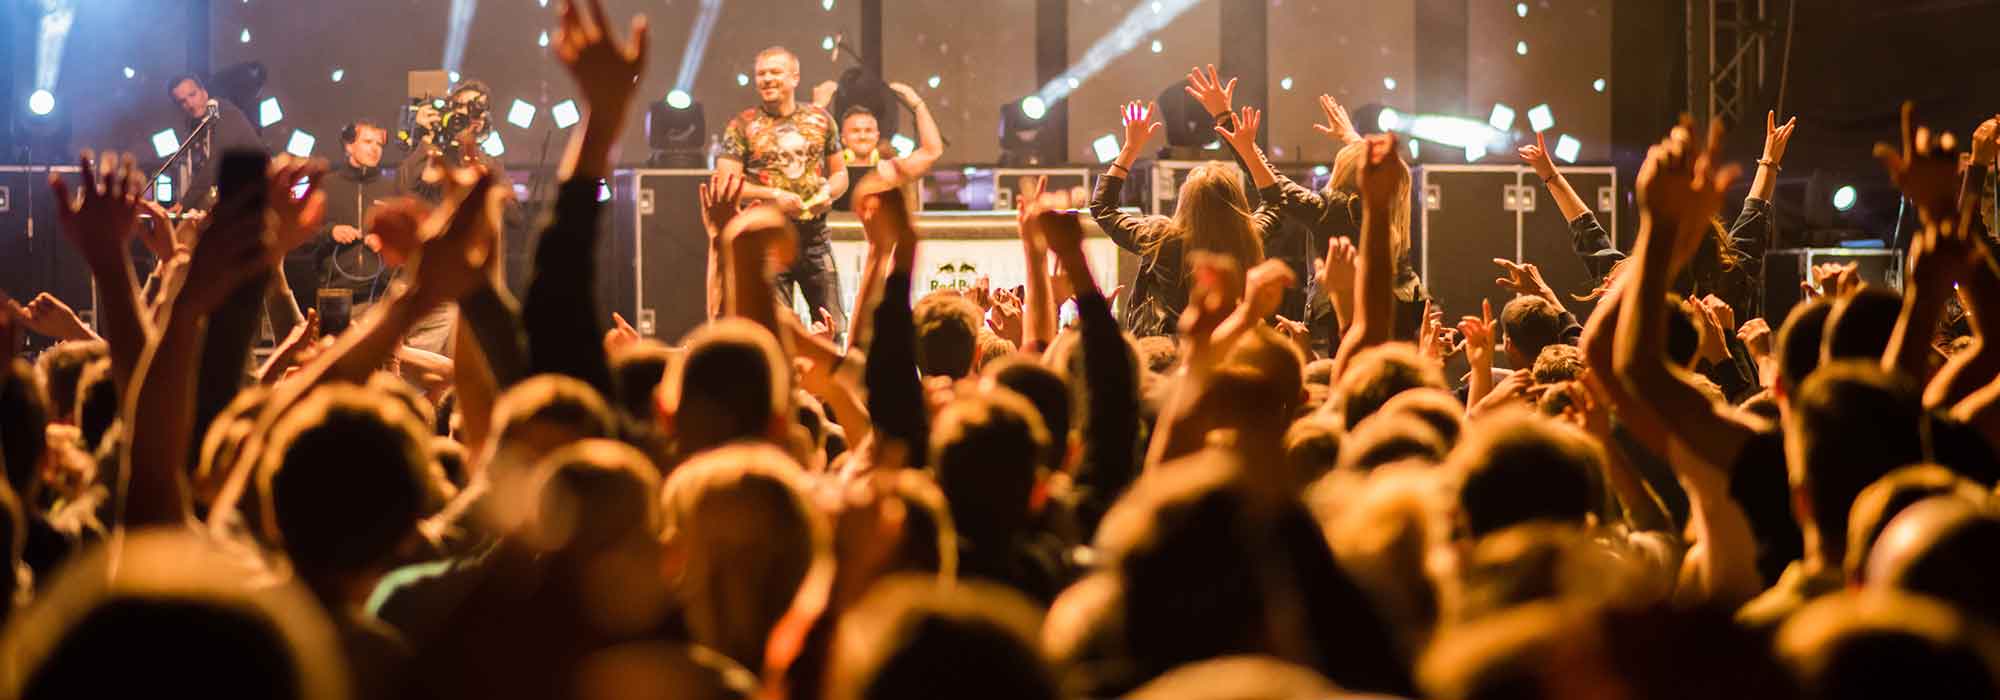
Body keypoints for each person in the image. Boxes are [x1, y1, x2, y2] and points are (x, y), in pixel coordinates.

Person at [1092, 98, 1279, 336]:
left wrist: (1130, 148)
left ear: (1186, 200)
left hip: (1174, 354)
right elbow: (1276, 201)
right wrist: (1249, 152)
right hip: (1235, 349)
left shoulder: (1161, 240)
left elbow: (1103, 208)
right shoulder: (1251, 235)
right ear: (1237, 199)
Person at [717, 46, 851, 341]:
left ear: (794, 77)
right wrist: (773, 196)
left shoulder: (821, 120)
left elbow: (841, 173)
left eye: (775, 72)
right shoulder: (742, 125)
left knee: (834, 328)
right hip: (767, 240)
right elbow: (726, 182)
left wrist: (829, 191)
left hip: (815, 237)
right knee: (773, 331)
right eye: (761, 73)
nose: (767, 79)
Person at [316, 119, 398, 317]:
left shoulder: (391, 188)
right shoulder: (326, 185)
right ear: (349, 146)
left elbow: (404, 241)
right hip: (335, 295)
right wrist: (331, 232)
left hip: (380, 295)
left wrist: (386, 241)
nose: (375, 149)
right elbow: (303, 236)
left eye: (379, 144)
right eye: (368, 142)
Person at [164, 73, 267, 211]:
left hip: (258, 195)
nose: (190, 104)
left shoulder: (226, 114)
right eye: (182, 101)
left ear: (204, 92)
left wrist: (185, 203)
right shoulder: (199, 127)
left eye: (192, 95)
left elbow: (216, 161)